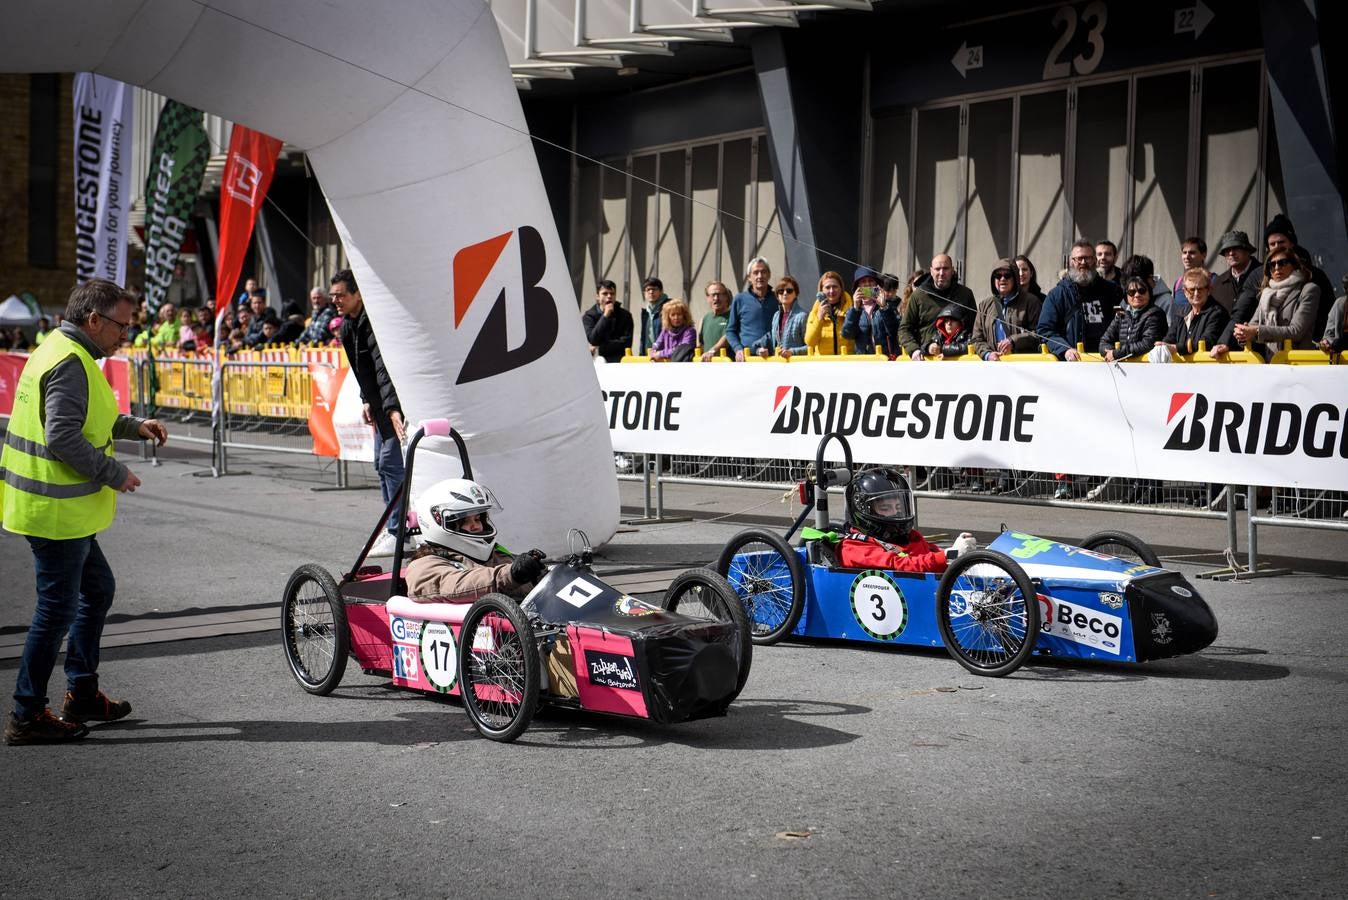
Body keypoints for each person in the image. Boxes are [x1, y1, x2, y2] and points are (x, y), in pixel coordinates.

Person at [1, 278, 168, 745]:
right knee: (56, 609)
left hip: (57, 510)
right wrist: (115, 473)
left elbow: (87, 419)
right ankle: (27, 713)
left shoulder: (60, 348)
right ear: (94, 319)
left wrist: (134, 425)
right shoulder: (72, 363)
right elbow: (63, 437)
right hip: (55, 511)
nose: (125, 336)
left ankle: (82, 692)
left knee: (96, 592)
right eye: (121, 326)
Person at [334, 268, 406, 557]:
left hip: (393, 404)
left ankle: (401, 530)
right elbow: (362, 374)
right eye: (333, 296)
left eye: (341, 295)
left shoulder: (372, 323)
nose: (336, 300)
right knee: (380, 464)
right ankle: (393, 528)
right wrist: (366, 400)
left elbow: (382, 368)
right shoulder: (347, 327)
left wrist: (392, 409)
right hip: (378, 405)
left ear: (358, 294)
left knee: (390, 462)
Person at [406, 478, 546, 601]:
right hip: (480, 628)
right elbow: (457, 585)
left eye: (478, 519)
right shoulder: (423, 566)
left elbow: (520, 574)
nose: (476, 526)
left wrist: (546, 571)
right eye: (464, 521)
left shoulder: (492, 555)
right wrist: (511, 574)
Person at [837, 467, 976, 574]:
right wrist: (949, 556)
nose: (895, 512)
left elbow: (929, 553)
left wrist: (959, 553)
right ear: (864, 510)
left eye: (898, 506)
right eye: (885, 508)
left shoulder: (910, 537)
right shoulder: (854, 547)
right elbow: (900, 566)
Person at [1038, 239, 1122, 361]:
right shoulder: (1057, 295)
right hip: (1072, 366)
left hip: (1107, 364)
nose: (1083, 262)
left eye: (1088, 258)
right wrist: (1064, 349)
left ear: (1095, 260)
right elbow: (1045, 330)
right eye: (1079, 258)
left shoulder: (1112, 291)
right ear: (1071, 262)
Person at [1231, 252, 1321, 358]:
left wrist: (1256, 331)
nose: (1277, 268)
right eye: (1272, 265)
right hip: (1272, 363)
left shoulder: (1308, 290)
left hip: (1298, 362)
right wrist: (1243, 333)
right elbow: (1253, 325)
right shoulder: (1267, 294)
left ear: (1294, 265)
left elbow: (1296, 331)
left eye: (1282, 263)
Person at [1263, 213, 1335, 341]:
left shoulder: (1314, 276)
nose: (1277, 247)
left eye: (1281, 242)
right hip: (1272, 354)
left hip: (1307, 351)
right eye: (1272, 244)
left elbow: (1328, 313)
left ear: (1291, 243)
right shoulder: (1264, 279)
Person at [898, 254, 976, 359]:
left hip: (959, 361)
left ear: (952, 270)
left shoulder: (965, 294)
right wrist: (914, 350)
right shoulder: (919, 296)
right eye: (937, 269)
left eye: (945, 268)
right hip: (926, 361)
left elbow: (975, 328)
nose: (941, 273)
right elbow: (904, 329)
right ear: (931, 271)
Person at [972, 259, 1043, 360]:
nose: (1002, 279)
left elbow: (1039, 334)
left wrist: (1013, 341)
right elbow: (976, 339)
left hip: (1022, 366)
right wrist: (987, 354)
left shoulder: (1031, 301)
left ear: (1015, 278)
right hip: (993, 366)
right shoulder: (984, 305)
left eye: (1007, 275)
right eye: (998, 275)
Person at [1160, 268, 1230, 356]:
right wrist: (1162, 346)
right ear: (1185, 292)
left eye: (1200, 289)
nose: (1196, 294)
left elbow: (1207, 342)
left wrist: (1177, 348)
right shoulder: (1180, 313)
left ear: (1208, 290)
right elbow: (1170, 338)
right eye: (1192, 290)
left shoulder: (1218, 313)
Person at [1099, 275, 1168, 362]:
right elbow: (1104, 341)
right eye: (1131, 292)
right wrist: (1109, 353)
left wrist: (1117, 354)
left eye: (1142, 291)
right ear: (1126, 296)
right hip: (1126, 369)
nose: (1137, 295)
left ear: (1149, 293)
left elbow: (1147, 344)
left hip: (1150, 367)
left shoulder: (1155, 314)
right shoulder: (1121, 315)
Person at [724, 257, 775, 361]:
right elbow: (730, 331)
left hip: (773, 357)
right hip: (747, 358)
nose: (760, 276)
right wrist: (738, 349)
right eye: (755, 272)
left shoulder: (778, 298)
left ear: (769, 274)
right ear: (749, 277)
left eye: (763, 272)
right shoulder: (740, 299)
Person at [752, 276, 808, 359]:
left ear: (796, 294)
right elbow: (771, 340)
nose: (785, 293)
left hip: (797, 366)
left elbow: (810, 347)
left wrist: (792, 352)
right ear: (777, 296)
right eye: (781, 291)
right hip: (779, 366)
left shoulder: (803, 315)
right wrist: (759, 350)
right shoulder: (776, 316)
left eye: (789, 291)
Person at [582, 280, 634, 363]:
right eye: (605, 293)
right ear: (597, 296)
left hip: (619, 361)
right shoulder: (589, 316)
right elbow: (593, 339)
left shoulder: (625, 315)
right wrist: (605, 316)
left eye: (612, 293)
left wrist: (600, 347)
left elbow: (626, 343)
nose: (609, 296)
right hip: (597, 361)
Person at [1209, 230, 1260, 314]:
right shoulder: (1217, 283)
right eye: (1227, 250)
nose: (1231, 253)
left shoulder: (1264, 275)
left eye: (1236, 248)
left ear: (1248, 251)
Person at [805, 271, 854, 356]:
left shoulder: (852, 310)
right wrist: (819, 319)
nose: (831, 291)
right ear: (821, 291)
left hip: (846, 363)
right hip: (823, 365)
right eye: (827, 287)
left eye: (835, 287)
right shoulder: (815, 312)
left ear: (841, 289)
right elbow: (810, 342)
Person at [842, 266, 886, 356]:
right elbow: (847, 334)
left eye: (871, 281)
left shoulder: (887, 305)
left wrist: (884, 307)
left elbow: (894, 330)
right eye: (863, 282)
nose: (867, 284)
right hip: (864, 361)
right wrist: (855, 308)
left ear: (877, 284)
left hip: (886, 358)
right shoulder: (854, 309)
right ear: (857, 287)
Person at [698, 281, 732, 361]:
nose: (716, 298)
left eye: (719, 294)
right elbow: (700, 344)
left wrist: (711, 351)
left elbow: (727, 338)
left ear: (726, 297)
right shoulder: (705, 318)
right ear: (707, 298)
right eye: (713, 295)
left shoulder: (733, 316)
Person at [637, 276, 670, 357]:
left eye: (654, 289)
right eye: (648, 290)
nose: (651, 292)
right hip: (648, 356)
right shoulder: (646, 312)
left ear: (661, 291)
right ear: (644, 293)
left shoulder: (669, 307)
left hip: (664, 355)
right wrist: (642, 354)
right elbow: (644, 337)